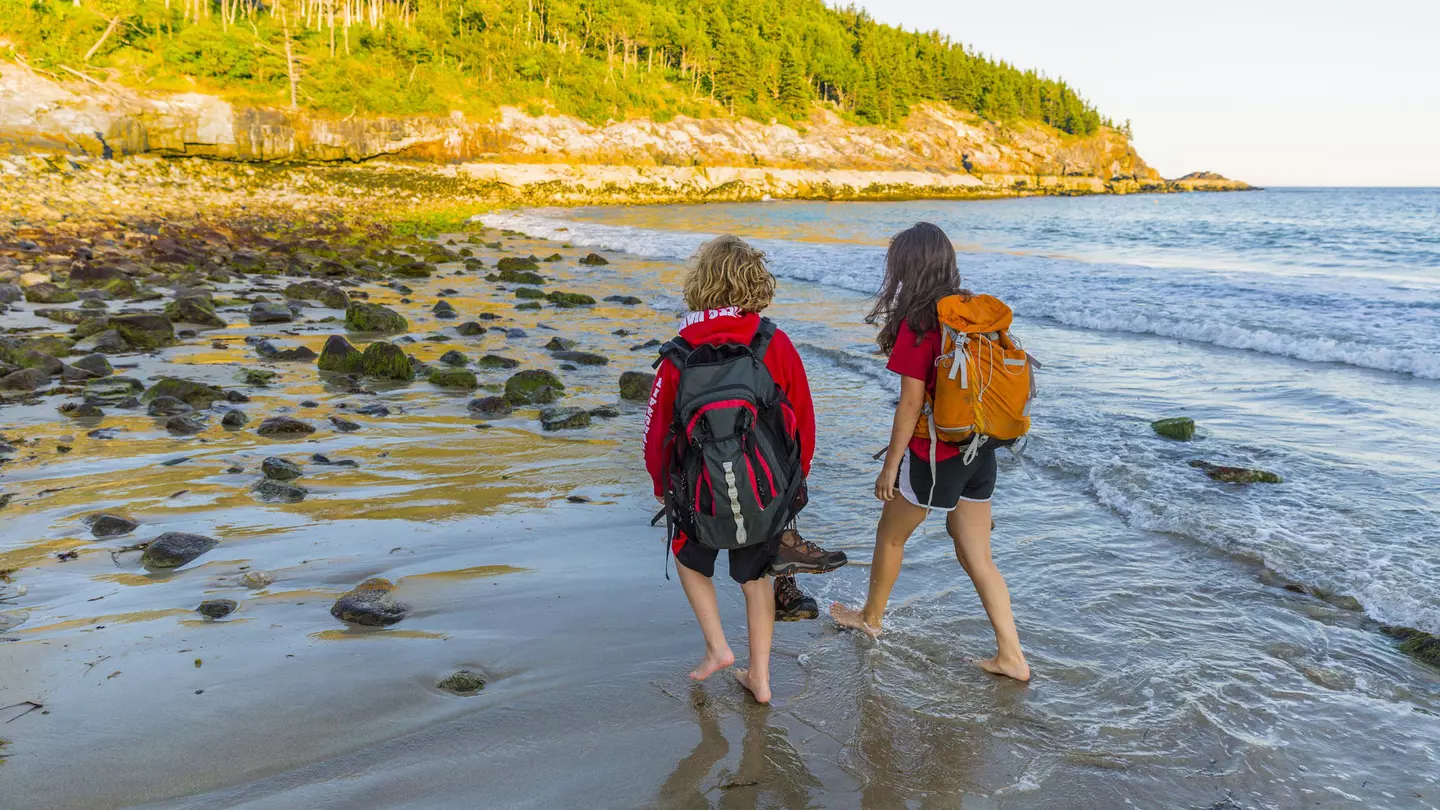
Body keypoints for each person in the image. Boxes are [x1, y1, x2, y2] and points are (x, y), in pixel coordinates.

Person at [644, 235, 845, 703]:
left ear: (701, 283)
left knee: (687, 553)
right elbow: (804, 417)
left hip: (698, 488)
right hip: (765, 486)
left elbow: (656, 431)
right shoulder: (773, 341)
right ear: (755, 281)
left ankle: (717, 648)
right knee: (758, 574)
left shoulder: (677, 352)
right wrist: (795, 482)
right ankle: (760, 678)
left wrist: (660, 485)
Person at [831, 222, 1031, 682]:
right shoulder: (972, 315)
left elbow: (910, 403)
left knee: (892, 535)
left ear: (908, 268)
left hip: (936, 454)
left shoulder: (919, 324)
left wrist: (891, 465)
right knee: (977, 554)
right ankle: (1012, 656)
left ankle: (871, 619)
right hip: (981, 449)